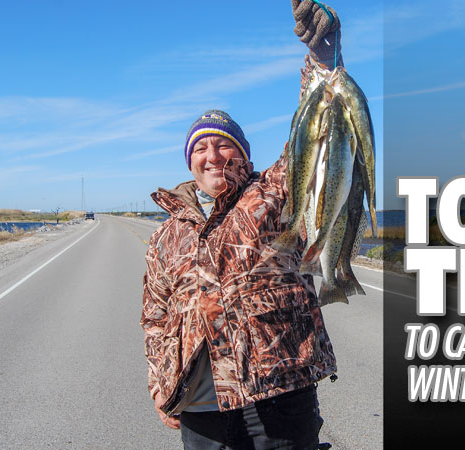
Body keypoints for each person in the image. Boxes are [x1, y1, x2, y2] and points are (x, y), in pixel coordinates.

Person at [140, 2, 347, 449]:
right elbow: (154, 317)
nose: (213, 156)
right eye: (201, 148)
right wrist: (160, 382)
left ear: (245, 154)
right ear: (190, 162)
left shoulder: (273, 191)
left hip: (280, 394)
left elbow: (316, 136)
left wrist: (322, 59)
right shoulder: (165, 235)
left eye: (224, 145)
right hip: (201, 407)